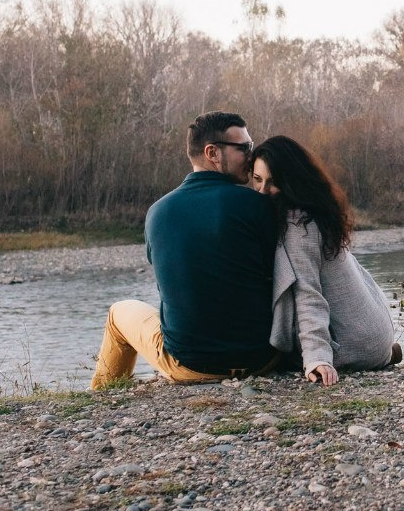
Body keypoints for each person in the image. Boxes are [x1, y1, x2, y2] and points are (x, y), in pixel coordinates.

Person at [90, 111, 278, 389]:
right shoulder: (259, 205)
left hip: (189, 366)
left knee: (119, 312)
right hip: (264, 360)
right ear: (212, 152)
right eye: (244, 148)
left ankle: (103, 396)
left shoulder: (158, 212)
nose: (251, 156)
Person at [248, 135, 400, 386]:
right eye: (257, 180)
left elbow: (308, 294)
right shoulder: (316, 213)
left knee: (273, 356)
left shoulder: (297, 227)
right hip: (374, 332)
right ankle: (384, 353)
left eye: (273, 183)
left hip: (354, 344)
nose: (263, 191)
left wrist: (317, 358)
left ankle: (373, 356)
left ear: (291, 183)